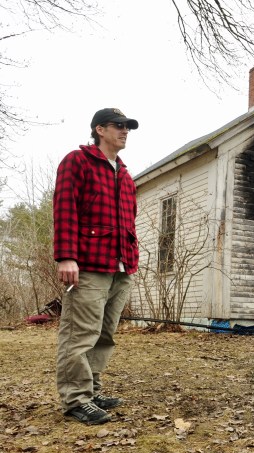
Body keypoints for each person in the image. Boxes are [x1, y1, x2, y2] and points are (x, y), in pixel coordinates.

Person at [53, 108, 140, 425]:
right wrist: (66, 255)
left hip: (121, 267)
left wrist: (131, 259)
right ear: (99, 129)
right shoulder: (77, 162)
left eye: (128, 127)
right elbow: (65, 208)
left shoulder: (126, 175)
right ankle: (76, 399)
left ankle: (92, 391)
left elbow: (130, 221)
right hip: (88, 265)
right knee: (80, 335)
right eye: (119, 126)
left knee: (105, 335)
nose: (125, 131)